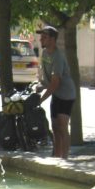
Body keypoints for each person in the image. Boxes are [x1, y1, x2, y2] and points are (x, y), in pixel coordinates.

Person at [36, 25, 76, 159]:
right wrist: (40, 86)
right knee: (54, 127)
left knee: (62, 126)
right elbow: (45, 77)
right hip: (56, 94)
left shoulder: (58, 57)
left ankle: (65, 159)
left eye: (44, 37)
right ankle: (57, 157)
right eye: (41, 36)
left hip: (66, 95)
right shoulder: (44, 53)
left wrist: (40, 100)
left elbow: (55, 83)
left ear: (52, 39)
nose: (41, 39)